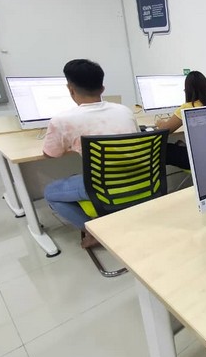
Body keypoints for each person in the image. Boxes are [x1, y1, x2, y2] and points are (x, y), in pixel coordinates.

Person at [43, 59, 138, 248]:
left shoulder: (62, 120)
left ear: (70, 89)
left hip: (103, 187)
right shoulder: (125, 111)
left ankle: (95, 232)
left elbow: (51, 154)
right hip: (139, 180)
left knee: (50, 192)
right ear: (102, 88)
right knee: (77, 178)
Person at [155, 70, 206, 169]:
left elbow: (165, 130)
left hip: (197, 159)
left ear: (188, 90)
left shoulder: (187, 107)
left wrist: (160, 122)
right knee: (179, 143)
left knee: (160, 149)